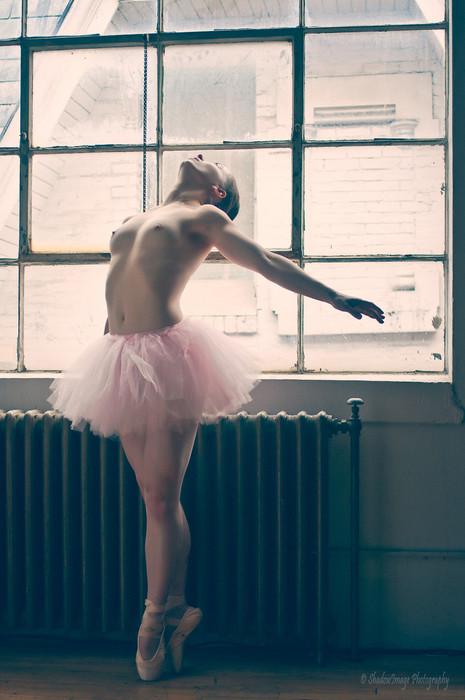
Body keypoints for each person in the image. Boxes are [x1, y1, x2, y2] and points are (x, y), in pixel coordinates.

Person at [47, 153, 385, 681]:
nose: (203, 157)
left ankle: (153, 619)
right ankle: (176, 608)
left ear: (218, 193)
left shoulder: (205, 218)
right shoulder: (137, 217)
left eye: (216, 165)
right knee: (154, 497)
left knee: (162, 497)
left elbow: (266, 262)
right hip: (120, 357)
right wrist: (108, 355)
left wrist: (334, 296)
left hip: (166, 359)